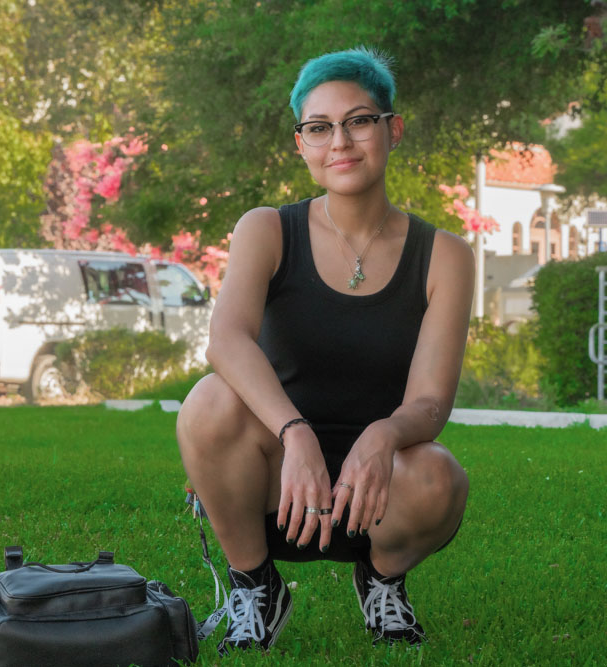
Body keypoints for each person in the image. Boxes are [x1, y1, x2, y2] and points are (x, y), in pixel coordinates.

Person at [176, 47, 474, 654]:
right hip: (275, 481)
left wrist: (384, 437)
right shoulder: (266, 229)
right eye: (319, 127)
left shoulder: (445, 255)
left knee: (442, 476)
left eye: (359, 121)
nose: (340, 141)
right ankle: (255, 585)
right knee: (209, 403)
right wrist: (295, 433)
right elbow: (225, 341)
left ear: (392, 129)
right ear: (302, 145)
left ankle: (382, 581)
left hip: (377, 491)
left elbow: (430, 402)